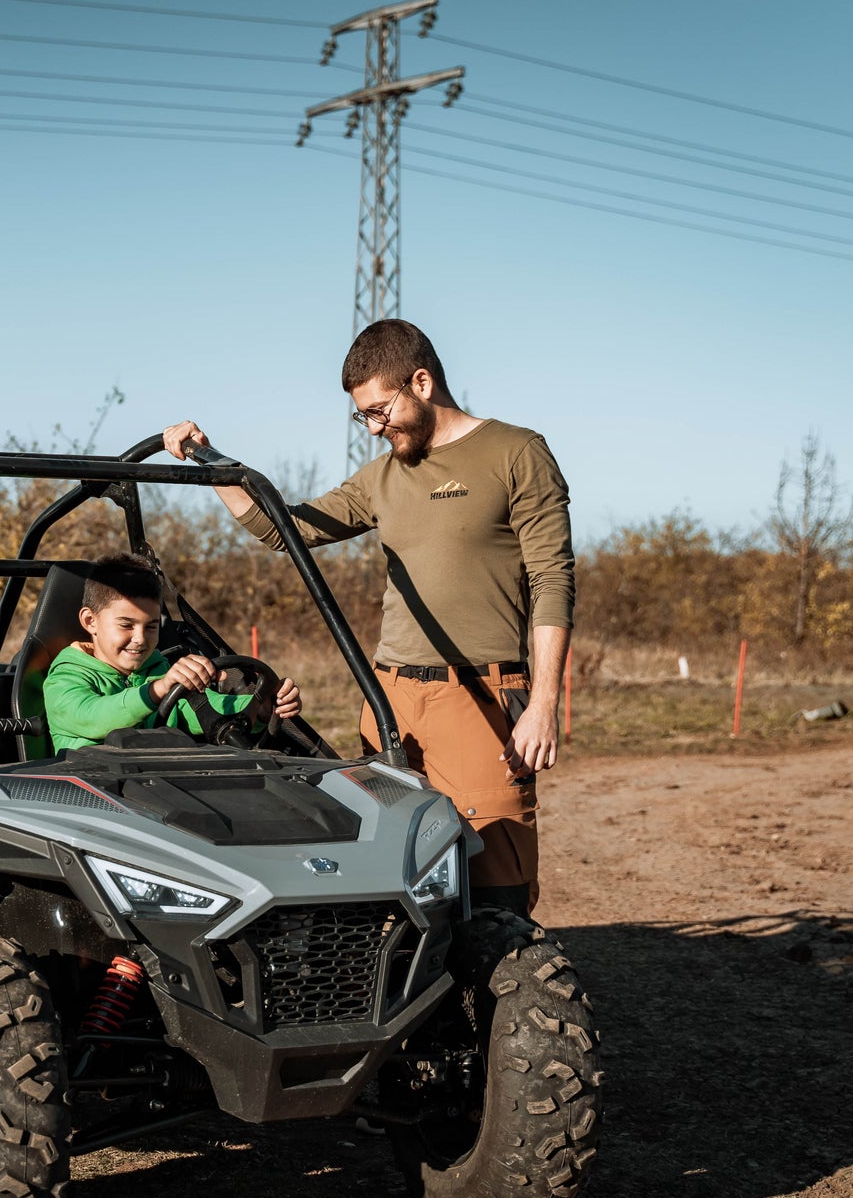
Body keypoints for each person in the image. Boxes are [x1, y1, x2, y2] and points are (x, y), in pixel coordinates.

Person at [162, 318, 572, 914]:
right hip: (389, 700)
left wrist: (544, 704)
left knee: (495, 881)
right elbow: (287, 529)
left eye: (380, 411)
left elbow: (552, 579)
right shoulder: (381, 477)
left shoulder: (516, 452)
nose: (375, 429)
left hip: (481, 696)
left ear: (423, 383)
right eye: (364, 417)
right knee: (392, 869)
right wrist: (213, 462)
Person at [42, 552, 303, 752]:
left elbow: (204, 710)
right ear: (90, 622)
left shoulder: (157, 669)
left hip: (156, 788)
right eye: (126, 625)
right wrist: (158, 689)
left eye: (151, 626)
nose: (140, 639)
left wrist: (261, 706)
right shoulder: (64, 679)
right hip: (90, 799)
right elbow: (95, 716)